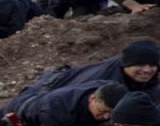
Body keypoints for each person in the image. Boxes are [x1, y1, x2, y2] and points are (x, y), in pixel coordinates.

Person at [16, 39, 160, 99]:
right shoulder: (104, 83)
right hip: (46, 92)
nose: (147, 70)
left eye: (152, 65)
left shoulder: (140, 76)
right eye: (140, 65)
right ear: (126, 65)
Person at [0, 81, 129, 126]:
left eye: (111, 113)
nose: (106, 117)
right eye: (102, 111)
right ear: (92, 98)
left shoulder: (108, 88)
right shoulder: (58, 111)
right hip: (17, 113)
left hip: (46, 96)